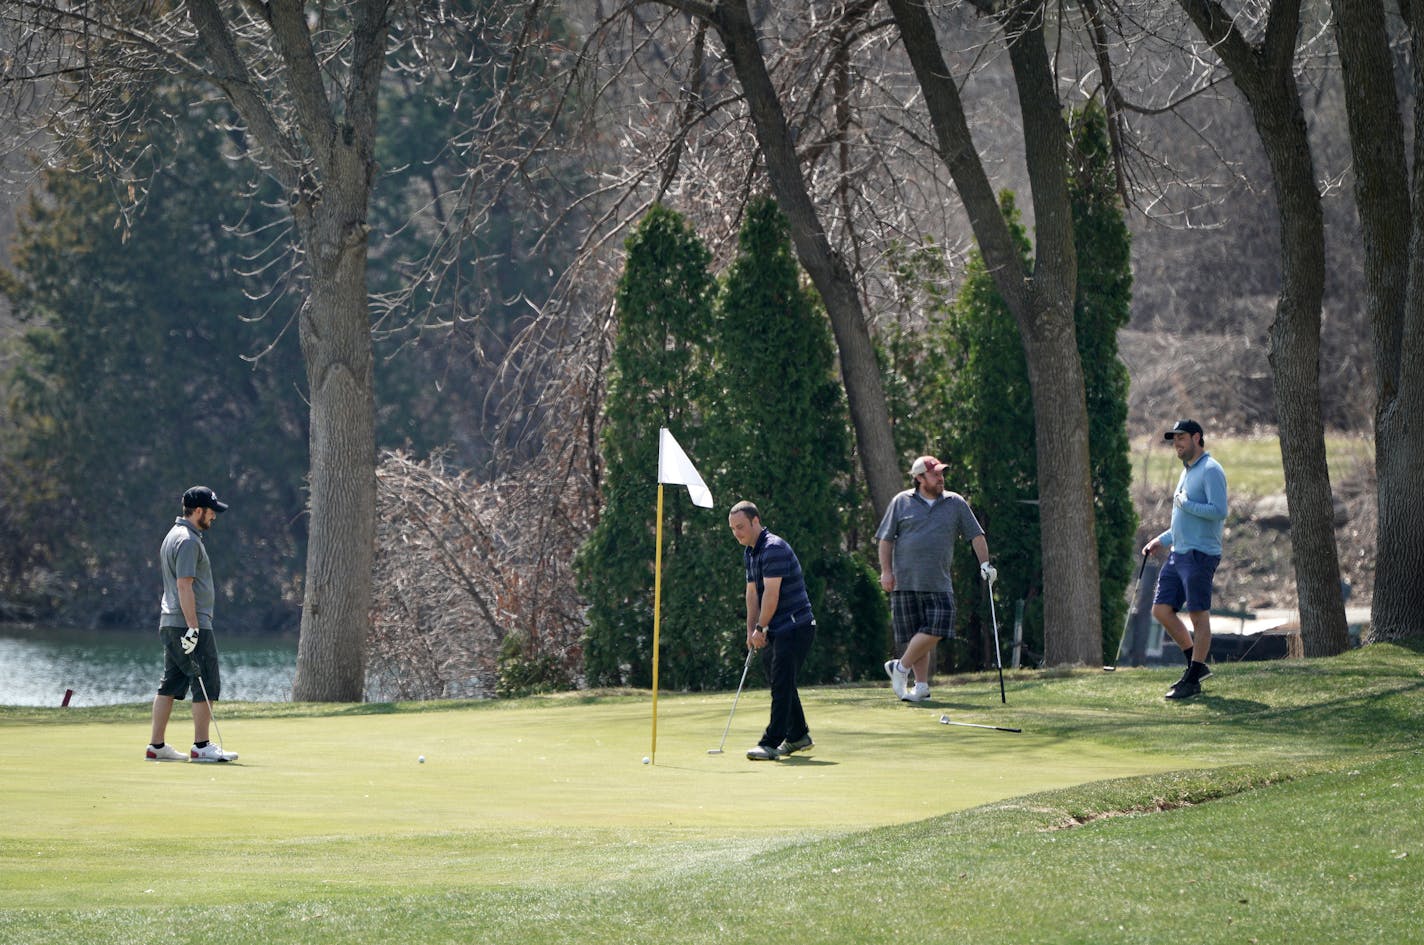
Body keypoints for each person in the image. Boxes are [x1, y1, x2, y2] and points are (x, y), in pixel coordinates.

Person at [876, 456, 995, 702]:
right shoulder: (901, 502)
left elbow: (976, 535)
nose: (941, 478)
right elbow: (886, 539)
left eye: (941, 474)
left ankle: (900, 668)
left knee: (938, 627)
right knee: (917, 637)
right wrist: (886, 571)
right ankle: (921, 687)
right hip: (905, 581)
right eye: (935, 474)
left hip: (939, 581)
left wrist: (985, 563)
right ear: (919, 478)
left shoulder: (955, 502)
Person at [146, 486, 239, 762]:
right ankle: (201, 745)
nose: (214, 517)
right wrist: (193, 627)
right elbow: (184, 586)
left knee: (171, 682)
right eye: (211, 512)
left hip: (172, 623)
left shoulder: (174, 536)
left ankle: (157, 746)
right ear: (198, 511)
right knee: (207, 680)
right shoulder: (188, 541)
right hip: (187, 623)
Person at [1143, 419, 1228, 700]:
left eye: (1181, 438)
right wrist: (1161, 540)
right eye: (1174, 440)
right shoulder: (1186, 472)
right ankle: (1196, 663)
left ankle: (1193, 677)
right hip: (1178, 552)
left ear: (1197, 438)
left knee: (1197, 614)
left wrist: (1186, 504)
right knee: (1161, 610)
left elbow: (1219, 511)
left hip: (1201, 555)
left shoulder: (1211, 470)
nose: (1177, 444)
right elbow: (1181, 522)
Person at [728, 500, 816, 761]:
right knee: (782, 681)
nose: (737, 533)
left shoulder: (773, 548)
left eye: (741, 527)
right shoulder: (750, 552)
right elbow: (753, 594)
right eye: (733, 529)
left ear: (756, 521)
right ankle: (798, 734)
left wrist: (761, 627)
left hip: (796, 626)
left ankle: (771, 742)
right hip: (776, 628)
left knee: (781, 683)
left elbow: (772, 595)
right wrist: (751, 631)